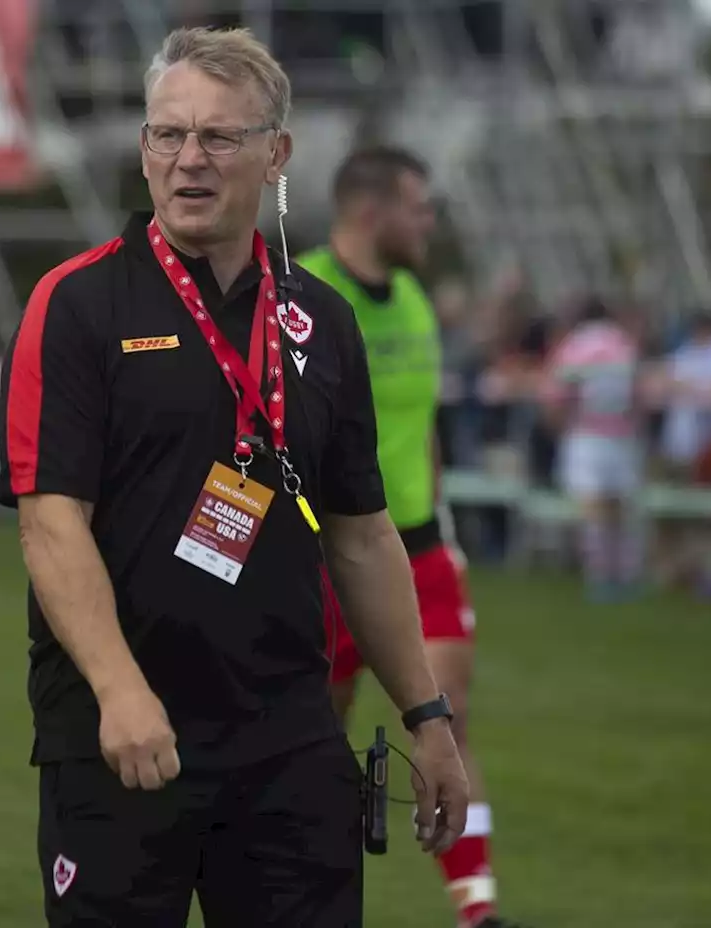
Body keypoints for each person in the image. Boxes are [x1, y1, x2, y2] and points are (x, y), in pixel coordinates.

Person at [0, 26, 468, 927]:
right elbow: (49, 522)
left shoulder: (321, 319)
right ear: (143, 151)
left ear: (276, 153)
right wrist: (119, 689)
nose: (189, 160)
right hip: (121, 737)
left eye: (220, 137)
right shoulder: (79, 302)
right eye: (167, 135)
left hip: (287, 742)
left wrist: (427, 715)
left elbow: (364, 536)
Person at [298, 145, 530, 928]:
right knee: (309, 736)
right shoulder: (304, 295)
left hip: (423, 547)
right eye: (418, 207)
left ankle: (479, 911)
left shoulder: (415, 302)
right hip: (326, 553)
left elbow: (420, 426)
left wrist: (446, 527)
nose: (429, 221)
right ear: (373, 211)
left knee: (447, 716)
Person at [539, 295, 647, 601]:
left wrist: (559, 427)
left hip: (586, 433)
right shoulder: (624, 343)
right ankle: (626, 574)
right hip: (623, 434)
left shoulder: (574, 346)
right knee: (620, 507)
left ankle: (600, 577)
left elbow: (556, 393)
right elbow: (640, 393)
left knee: (592, 507)